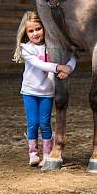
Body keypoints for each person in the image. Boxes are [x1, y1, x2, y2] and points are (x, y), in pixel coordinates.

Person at [13, 11, 76, 167]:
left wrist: (69, 67)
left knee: (45, 123)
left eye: (38, 29)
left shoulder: (52, 47)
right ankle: (33, 153)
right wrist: (59, 67)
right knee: (33, 123)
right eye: (31, 31)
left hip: (47, 92)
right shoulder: (27, 48)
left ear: (44, 28)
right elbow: (40, 64)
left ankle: (47, 154)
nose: (35, 33)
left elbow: (73, 56)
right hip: (30, 92)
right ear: (26, 33)